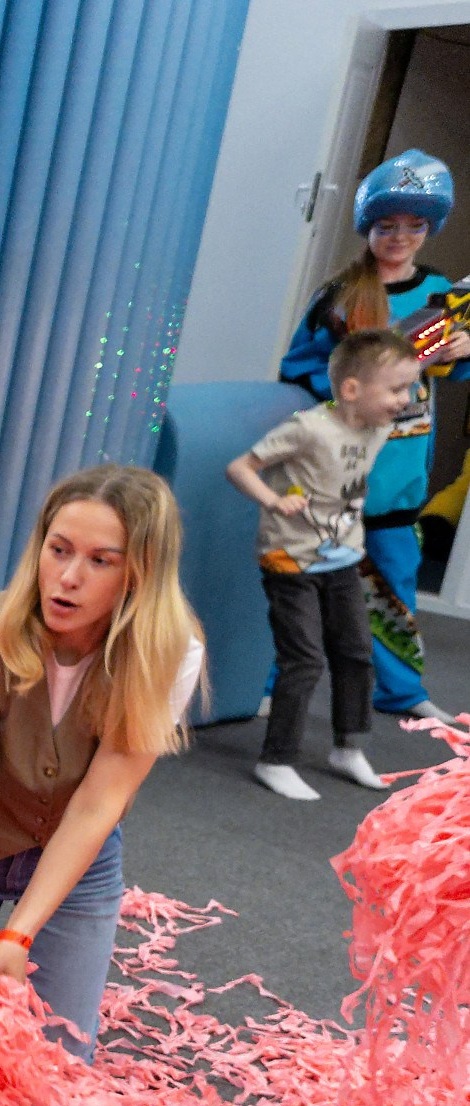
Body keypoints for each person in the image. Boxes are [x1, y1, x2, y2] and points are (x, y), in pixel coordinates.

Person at [0, 466, 206, 1067]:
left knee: (56, 1068)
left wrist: (18, 935)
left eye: (101, 561)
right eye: (59, 550)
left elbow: (100, 802)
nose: (68, 578)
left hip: (76, 861)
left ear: (140, 573)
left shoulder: (170, 652)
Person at [279, 149, 466, 721]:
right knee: (303, 579)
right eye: (388, 225)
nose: (401, 236)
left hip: (402, 472)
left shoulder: (440, 294)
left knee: (394, 585)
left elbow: (448, 368)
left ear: (429, 229)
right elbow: (296, 368)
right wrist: (349, 384)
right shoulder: (339, 296)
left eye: (415, 226)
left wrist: (463, 352)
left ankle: (401, 692)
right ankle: (272, 685)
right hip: (341, 467)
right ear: (369, 227)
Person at [230, 328, 418, 800]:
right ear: (352, 390)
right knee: (304, 660)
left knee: (356, 652)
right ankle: (276, 760)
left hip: (342, 559)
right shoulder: (309, 428)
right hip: (290, 560)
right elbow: (240, 467)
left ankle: (349, 746)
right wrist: (274, 500)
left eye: (409, 388)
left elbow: (406, 361)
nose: (406, 398)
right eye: (396, 390)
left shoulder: (377, 425)